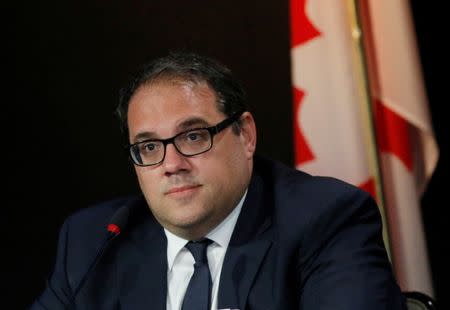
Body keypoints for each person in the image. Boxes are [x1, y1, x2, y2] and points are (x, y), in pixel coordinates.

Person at [31, 51, 406, 309]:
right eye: (148, 147)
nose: (171, 164)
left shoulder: (326, 220)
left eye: (193, 136)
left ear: (245, 134)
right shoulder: (92, 242)